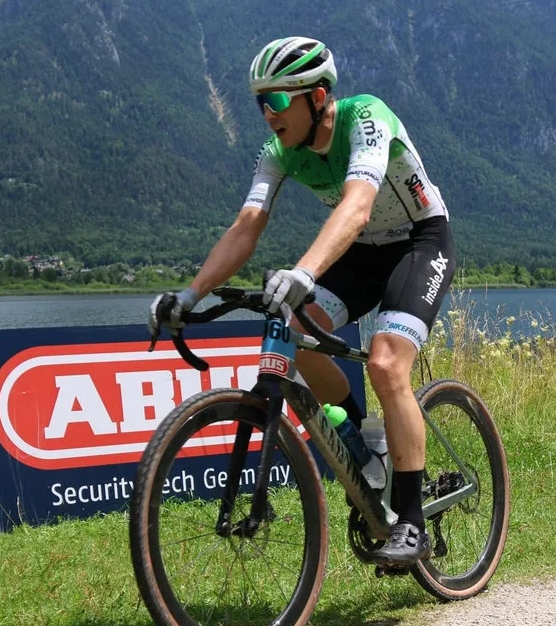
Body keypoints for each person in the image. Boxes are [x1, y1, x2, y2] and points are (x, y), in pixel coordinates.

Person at [149, 36, 455, 566]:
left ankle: (411, 523)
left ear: (316, 97)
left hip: (420, 242)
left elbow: (358, 206)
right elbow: (247, 226)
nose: (267, 113)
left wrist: (304, 271)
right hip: (361, 253)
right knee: (297, 331)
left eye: (277, 100)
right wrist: (190, 293)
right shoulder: (278, 152)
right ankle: (368, 439)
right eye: (258, 102)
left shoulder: (366, 118)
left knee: (385, 363)